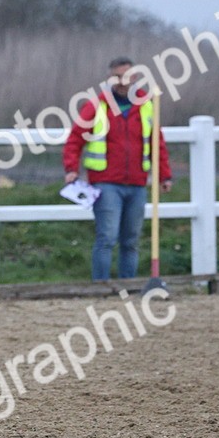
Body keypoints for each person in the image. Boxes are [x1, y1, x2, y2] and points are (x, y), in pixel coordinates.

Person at [63, 56, 172, 282]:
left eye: (127, 76)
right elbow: (75, 138)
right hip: (105, 182)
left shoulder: (147, 105)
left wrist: (164, 175)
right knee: (107, 237)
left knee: (131, 241)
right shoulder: (97, 105)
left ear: (135, 77)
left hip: (137, 183)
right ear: (109, 78)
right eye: (117, 77)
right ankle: (101, 287)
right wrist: (71, 168)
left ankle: (127, 286)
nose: (122, 81)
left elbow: (157, 143)